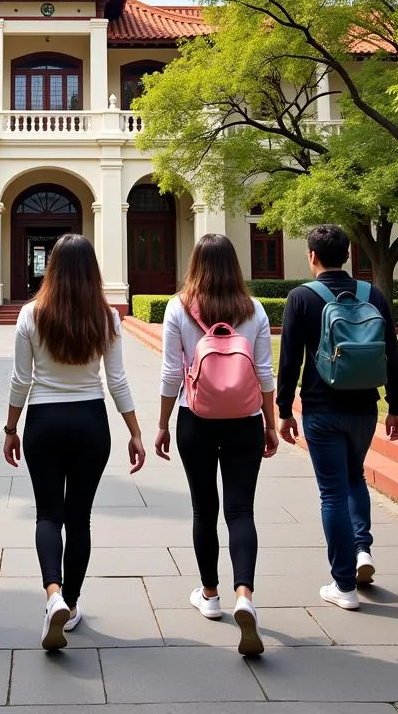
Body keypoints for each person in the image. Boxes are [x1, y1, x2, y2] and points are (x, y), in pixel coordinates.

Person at [3, 233, 146, 651]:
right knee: (78, 517)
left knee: (48, 516)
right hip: (90, 421)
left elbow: (20, 380)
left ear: (52, 268)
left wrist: (11, 429)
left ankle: (53, 596)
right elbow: (116, 380)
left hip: (43, 421)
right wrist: (135, 431)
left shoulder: (31, 314)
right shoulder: (106, 317)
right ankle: (72, 601)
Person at [155, 233, 278, 657]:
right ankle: (245, 593)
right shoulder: (254, 308)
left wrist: (162, 423)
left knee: (204, 509)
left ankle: (210, 594)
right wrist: (271, 424)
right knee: (241, 509)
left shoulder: (178, 307)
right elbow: (264, 373)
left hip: (197, 419)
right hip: (245, 419)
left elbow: (172, 372)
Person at [277, 223, 398, 611]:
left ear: (312, 256)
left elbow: (290, 361)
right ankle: (362, 549)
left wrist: (283, 410)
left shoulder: (301, 297)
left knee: (331, 492)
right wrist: (395, 405)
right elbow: (391, 353)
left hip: (321, 409)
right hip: (364, 408)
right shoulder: (372, 294)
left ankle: (343, 584)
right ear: (348, 255)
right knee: (355, 478)